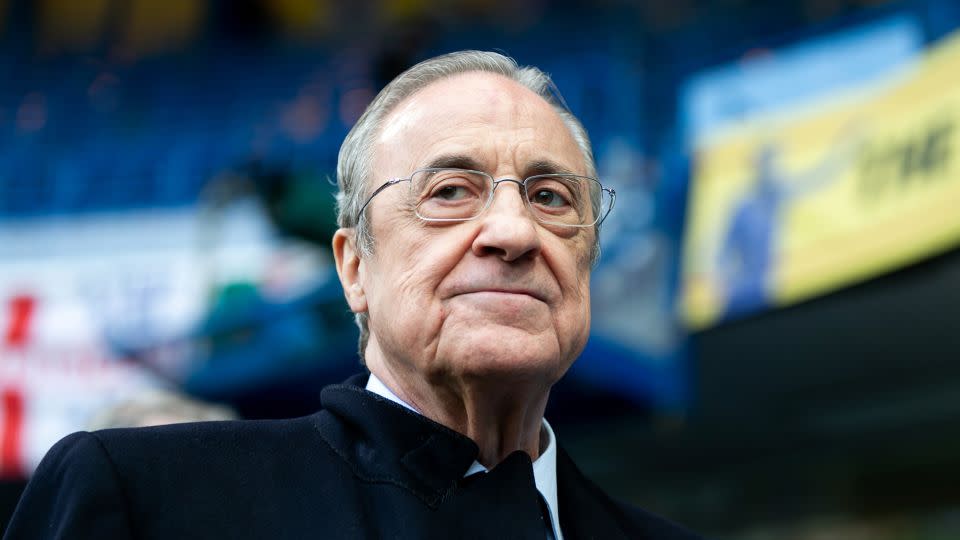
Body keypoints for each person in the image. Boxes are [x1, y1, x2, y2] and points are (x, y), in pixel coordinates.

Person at [4, 51, 702, 539]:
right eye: (450, 192)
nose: (514, 231)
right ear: (353, 269)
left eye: (551, 197)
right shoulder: (146, 500)